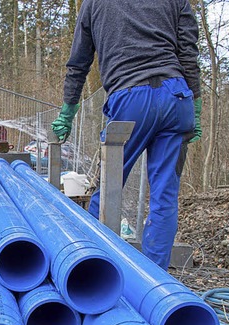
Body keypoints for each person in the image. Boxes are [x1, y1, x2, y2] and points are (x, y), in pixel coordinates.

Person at [52, 0, 202, 271]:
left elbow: (79, 63)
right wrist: (197, 104)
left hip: (130, 97)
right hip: (176, 98)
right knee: (164, 197)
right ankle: (155, 283)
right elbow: (188, 51)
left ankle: (90, 269)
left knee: (109, 186)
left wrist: (67, 112)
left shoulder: (94, 4)